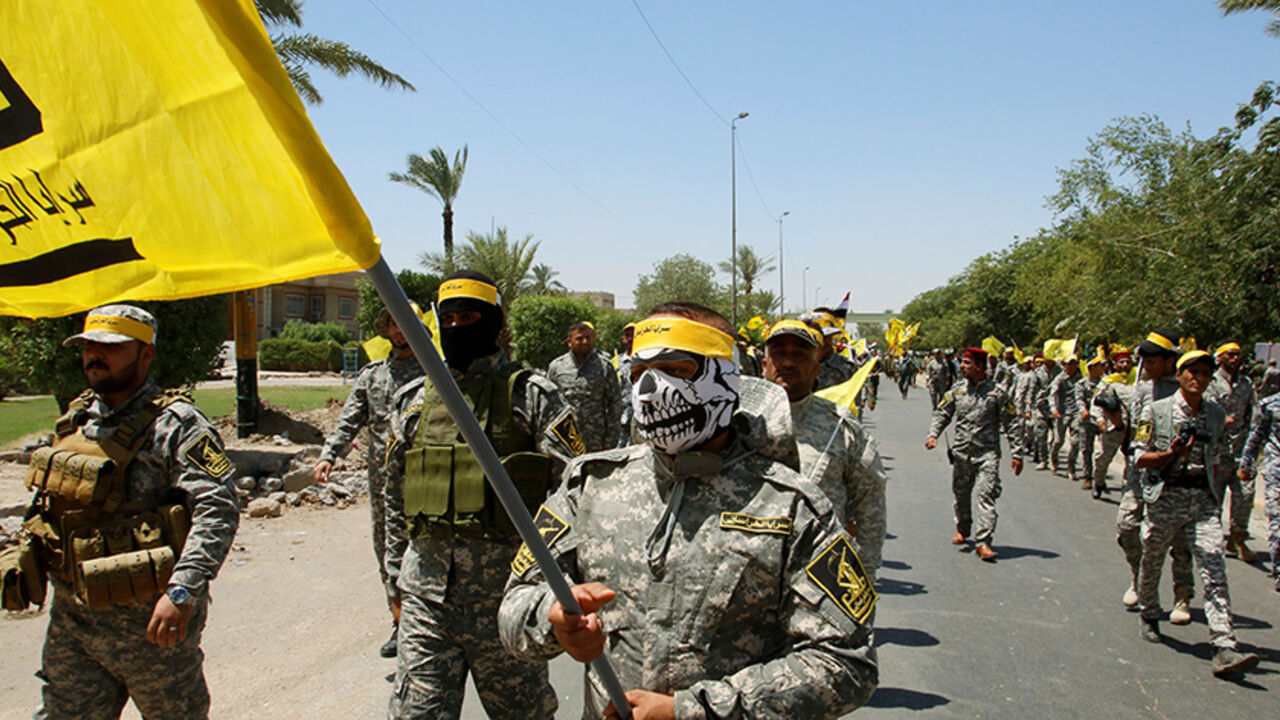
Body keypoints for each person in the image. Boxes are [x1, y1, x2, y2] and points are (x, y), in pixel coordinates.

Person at [498, 303, 879, 719]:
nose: (650, 391)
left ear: (725, 377)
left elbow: (848, 662)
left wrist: (694, 712)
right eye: (639, 374)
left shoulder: (793, 505)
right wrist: (554, 621)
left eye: (675, 370)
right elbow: (514, 604)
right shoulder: (589, 484)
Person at [382, 271, 583, 719]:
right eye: (448, 319)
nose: (456, 327)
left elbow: (574, 492)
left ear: (493, 321)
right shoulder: (413, 401)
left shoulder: (532, 396)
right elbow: (394, 497)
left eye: (468, 318)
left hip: (507, 602)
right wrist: (394, 579)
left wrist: (547, 580)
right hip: (427, 600)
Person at [23, 305, 240, 718]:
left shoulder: (178, 424)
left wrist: (183, 591)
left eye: (110, 347)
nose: (94, 355)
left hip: (153, 630)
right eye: (88, 346)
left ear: (146, 355)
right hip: (75, 627)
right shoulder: (76, 420)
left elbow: (218, 508)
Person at [1133, 351, 1260, 678]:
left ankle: (1224, 644)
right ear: (1179, 375)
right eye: (1193, 372)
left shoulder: (1215, 414)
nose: (1199, 379)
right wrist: (1172, 452)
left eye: (1205, 373)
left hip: (1202, 501)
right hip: (1166, 498)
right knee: (1152, 560)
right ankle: (1149, 612)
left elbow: (1216, 455)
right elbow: (1139, 457)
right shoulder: (1156, 411)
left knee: (1214, 567)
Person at [313, 305, 425, 657]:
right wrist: (329, 454)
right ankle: (399, 622)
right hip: (383, 481)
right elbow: (349, 419)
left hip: (426, 478)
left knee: (423, 549)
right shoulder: (372, 376)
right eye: (393, 324)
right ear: (386, 329)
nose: (399, 330)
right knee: (386, 550)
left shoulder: (435, 372)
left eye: (406, 324)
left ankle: (426, 621)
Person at [761, 319, 888, 578]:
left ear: (816, 369)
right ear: (764, 366)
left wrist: (865, 570)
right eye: (779, 354)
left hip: (820, 574)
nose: (788, 362)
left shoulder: (841, 427)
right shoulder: (737, 421)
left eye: (799, 355)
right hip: (752, 573)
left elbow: (870, 498)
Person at [1108, 329, 1195, 619]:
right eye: (1143, 361)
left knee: (1180, 538)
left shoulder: (1188, 389)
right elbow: (1137, 429)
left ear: (1170, 361)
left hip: (1178, 475)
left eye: (1152, 361)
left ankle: (1182, 594)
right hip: (1141, 471)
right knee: (1127, 526)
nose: (1145, 366)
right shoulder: (1144, 389)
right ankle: (1138, 576)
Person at [925, 347, 1024, 560]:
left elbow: (1012, 423)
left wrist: (1017, 453)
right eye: (962, 362)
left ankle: (983, 541)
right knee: (961, 495)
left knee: (986, 495)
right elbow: (942, 413)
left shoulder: (997, 392)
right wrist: (933, 434)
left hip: (987, 454)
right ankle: (963, 528)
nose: (961, 367)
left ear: (979, 366)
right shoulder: (957, 391)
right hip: (961, 453)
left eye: (967, 363)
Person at [1205, 342, 1259, 562]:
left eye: (1237, 355)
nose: (1235, 358)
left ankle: (1237, 538)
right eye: (1230, 355)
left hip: (1241, 450)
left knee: (1245, 494)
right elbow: (1203, 411)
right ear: (1219, 358)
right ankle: (1212, 537)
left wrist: (1253, 441)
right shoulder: (1211, 382)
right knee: (1214, 496)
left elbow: (1253, 412)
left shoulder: (1246, 384)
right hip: (1217, 449)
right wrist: (1219, 423)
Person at [547, 321, 622, 454]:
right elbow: (549, 405)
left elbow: (615, 405)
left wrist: (610, 442)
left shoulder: (604, 366)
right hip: (566, 442)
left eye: (588, 337)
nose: (585, 342)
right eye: (579, 338)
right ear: (569, 342)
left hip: (597, 442)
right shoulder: (557, 367)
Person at [1238, 379, 1280, 593]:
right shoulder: (1270, 405)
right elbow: (1255, 437)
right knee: (1278, 522)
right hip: (1276, 472)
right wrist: (1246, 463)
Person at [1092, 349, 1136, 498]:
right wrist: (1100, 419)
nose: (1125, 365)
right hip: (1113, 427)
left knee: (1131, 463)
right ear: (1115, 365)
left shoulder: (1137, 381)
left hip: (1132, 429)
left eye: (1127, 362)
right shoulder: (1108, 382)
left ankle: (1127, 493)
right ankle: (1098, 482)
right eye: (1121, 362)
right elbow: (1096, 403)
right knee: (1103, 459)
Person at [1049, 356, 1083, 480]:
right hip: (1062, 413)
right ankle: (1053, 457)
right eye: (1069, 363)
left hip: (1076, 413)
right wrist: (1054, 409)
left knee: (1075, 442)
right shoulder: (1060, 379)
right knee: (1058, 441)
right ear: (1064, 365)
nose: (1072, 366)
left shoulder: (1081, 378)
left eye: (1074, 363)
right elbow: (1052, 395)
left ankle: (1071, 467)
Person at [1077, 353, 1106, 492]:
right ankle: (1087, 477)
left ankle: (1100, 478)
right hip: (1087, 421)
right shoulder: (1081, 383)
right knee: (1086, 450)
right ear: (1091, 368)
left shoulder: (1106, 383)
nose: (1102, 368)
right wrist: (1083, 410)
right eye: (1100, 366)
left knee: (1103, 451)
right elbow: (1079, 399)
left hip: (1102, 421)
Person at [1029, 355, 1060, 471]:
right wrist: (1029, 408)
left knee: (1057, 437)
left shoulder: (1060, 371)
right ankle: (1043, 460)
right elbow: (1032, 390)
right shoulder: (1038, 372)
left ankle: (1053, 458)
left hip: (1057, 407)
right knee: (1041, 435)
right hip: (1041, 407)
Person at [615, 322, 636, 446]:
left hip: (641, 418)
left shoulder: (647, 360)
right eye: (628, 335)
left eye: (634, 335)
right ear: (623, 339)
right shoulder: (615, 362)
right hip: (622, 417)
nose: (631, 339)